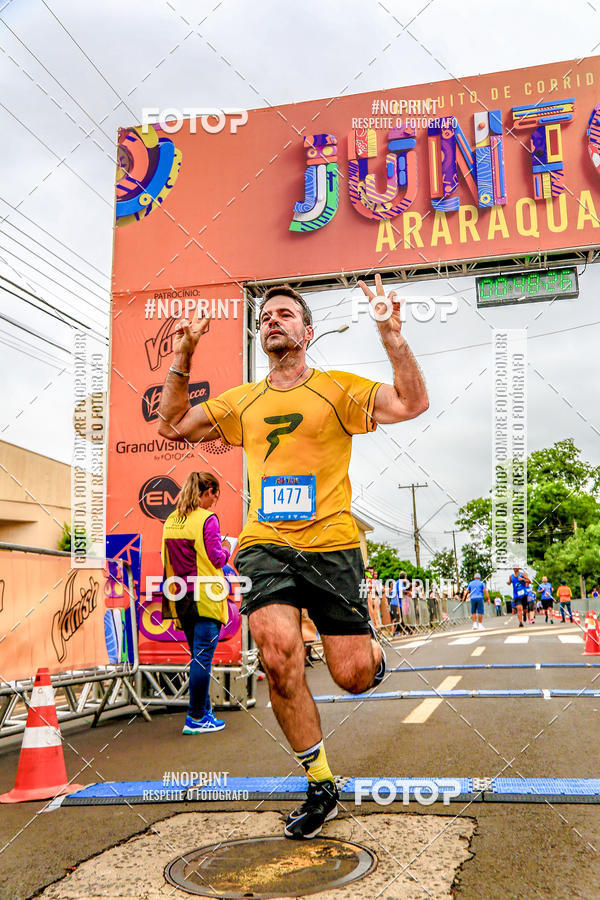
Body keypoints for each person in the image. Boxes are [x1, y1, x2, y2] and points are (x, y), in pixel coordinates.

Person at [157, 276, 429, 839]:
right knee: (279, 657)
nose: (272, 320)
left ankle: (371, 654)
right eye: (265, 317)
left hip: (332, 545)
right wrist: (183, 352)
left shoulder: (338, 388)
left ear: (307, 332)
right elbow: (171, 424)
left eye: (285, 314)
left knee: (351, 676)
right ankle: (321, 781)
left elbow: (411, 403)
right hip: (265, 546)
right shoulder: (244, 400)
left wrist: (392, 337)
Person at [160, 471, 231, 734]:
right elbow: (215, 558)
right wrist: (227, 549)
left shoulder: (171, 519)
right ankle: (196, 717)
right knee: (202, 659)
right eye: (215, 495)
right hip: (205, 597)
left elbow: (163, 555)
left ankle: (205, 713)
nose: (215, 501)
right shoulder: (207, 519)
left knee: (197, 657)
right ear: (208, 491)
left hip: (179, 597)